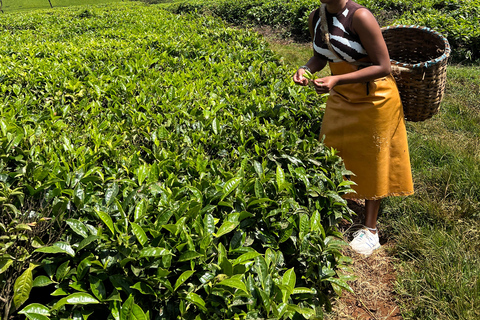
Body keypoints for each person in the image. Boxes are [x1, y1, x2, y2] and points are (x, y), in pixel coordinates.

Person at [293, 0, 414, 256]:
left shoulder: (360, 17)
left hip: (375, 97)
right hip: (341, 96)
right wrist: (305, 69)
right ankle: (339, 208)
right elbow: (320, 55)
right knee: (334, 151)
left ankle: (370, 230)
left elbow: (383, 65)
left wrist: (337, 78)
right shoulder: (316, 16)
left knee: (374, 158)